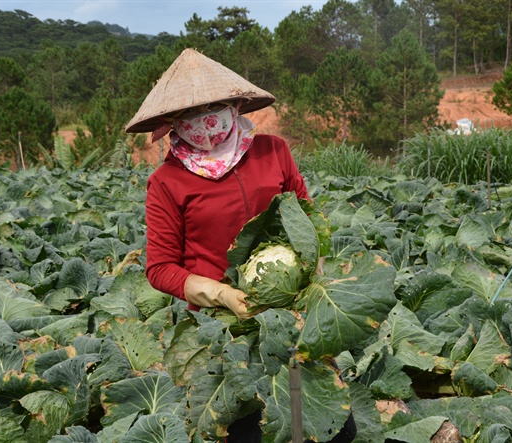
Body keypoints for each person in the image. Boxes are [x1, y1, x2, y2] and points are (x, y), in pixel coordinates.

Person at [125, 48, 355, 443]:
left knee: (318, 424)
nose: (206, 119)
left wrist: (308, 284)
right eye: (191, 113)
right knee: (247, 430)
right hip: (226, 325)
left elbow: (308, 218)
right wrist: (223, 294)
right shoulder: (167, 181)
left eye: (215, 105)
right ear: (172, 123)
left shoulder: (272, 151)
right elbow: (160, 268)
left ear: (235, 103)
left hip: (293, 310)